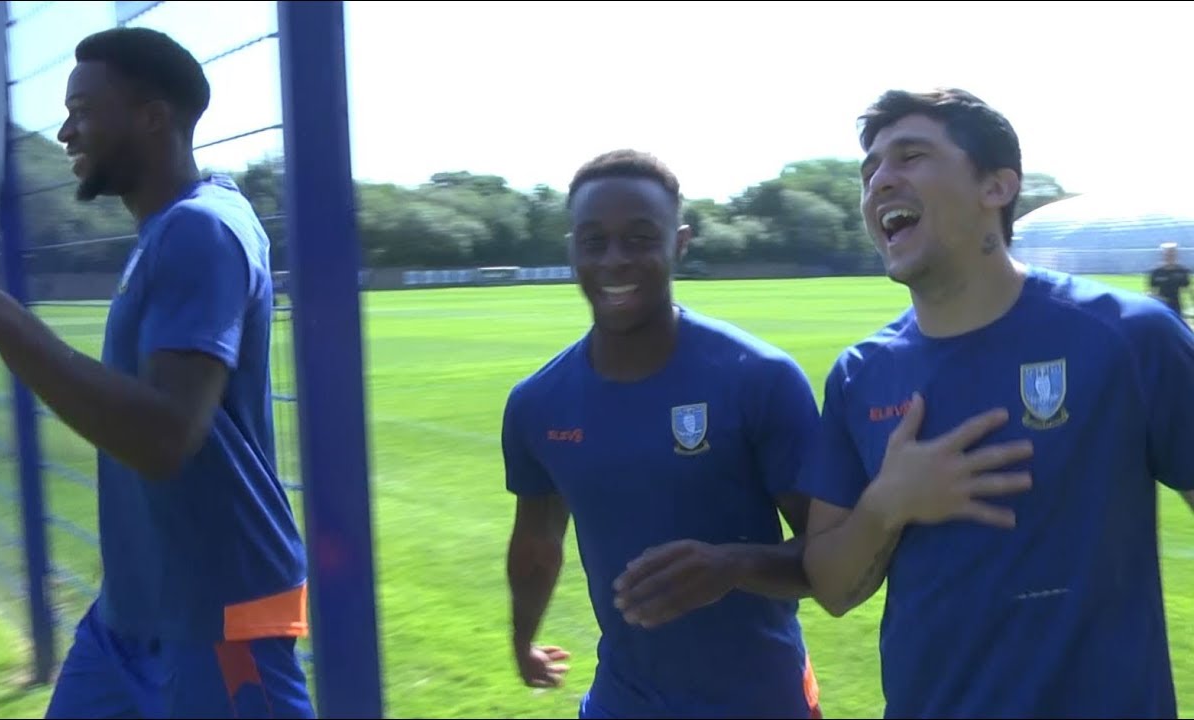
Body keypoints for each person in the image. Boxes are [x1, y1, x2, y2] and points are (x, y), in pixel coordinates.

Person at [0, 28, 313, 718]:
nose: (66, 132)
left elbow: (164, 436)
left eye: (83, 110)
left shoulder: (201, 229)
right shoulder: (168, 230)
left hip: (222, 623)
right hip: (128, 622)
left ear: (153, 116)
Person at [798, 87, 1194, 719]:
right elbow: (833, 587)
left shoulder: (1129, 337)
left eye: (911, 156)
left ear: (997, 186)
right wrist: (887, 505)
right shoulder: (861, 375)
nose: (880, 181)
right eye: (870, 168)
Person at [501, 149, 823, 719]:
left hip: (761, 701)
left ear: (681, 242)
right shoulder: (536, 403)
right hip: (623, 700)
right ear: (571, 249)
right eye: (594, 241)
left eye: (640, 238)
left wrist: (734, 565)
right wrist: (522, 640)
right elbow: (536, 545)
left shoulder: (759, 379)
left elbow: (832, 558)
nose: (615, 260)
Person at [1147, 242, 1191, 318]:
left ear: (1176, 255)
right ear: (1163, 255)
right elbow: (1151, 291)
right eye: (1167, 254)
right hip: (1161, 306)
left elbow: (1188, 290)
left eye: (1172, 253)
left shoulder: (1182, 271)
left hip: (1176, 305)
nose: (1170, 256)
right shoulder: (1156, 272)